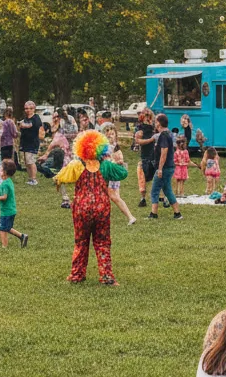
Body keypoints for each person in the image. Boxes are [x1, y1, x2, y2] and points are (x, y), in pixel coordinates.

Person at [56, 131, 128, 284]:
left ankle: (77, 275)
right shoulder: (106, 165)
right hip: (102, 208)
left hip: (81, 208)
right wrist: (118, 162)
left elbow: (62, 176)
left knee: (81, 242)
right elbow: (122, 174)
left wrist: (58, 181)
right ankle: (107, 277)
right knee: (103, 242)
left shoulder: (77, 165)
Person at [0, 158, 29, 248]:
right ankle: (22, 236)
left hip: (7, 211)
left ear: (5, 172)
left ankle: (4, 247)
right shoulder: (8, 181)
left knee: (2, 229)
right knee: (7, 228)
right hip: (10, 210)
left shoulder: (5, 184)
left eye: (1, 168)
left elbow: (4, 197)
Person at [102, 124, 137, 225]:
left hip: (112, 176)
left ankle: (130, 217)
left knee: (114, 197)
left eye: (112, 134)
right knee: (108, 197)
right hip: (106, 175)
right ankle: (104, 218)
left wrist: (113, 161)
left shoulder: (115, 147)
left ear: (116, 135)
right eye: (108, 134)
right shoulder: (104, 147)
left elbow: (121, 160)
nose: (110, 136)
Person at [149, 113, 182, 220]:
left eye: (155, 121)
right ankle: (177, 213)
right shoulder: (169, 133)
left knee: (154, 190)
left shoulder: (163, 135)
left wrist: (159, 169)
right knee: (167, 190)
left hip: (165, 168)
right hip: (170, 166)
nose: (154, 123)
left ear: (159, 123)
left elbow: (164, 152)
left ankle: (153, 214)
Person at [132, 108, 156, 208]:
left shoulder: (154, 128)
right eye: (146, 117)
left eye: (149, 117)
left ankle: (162, 198)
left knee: (158, 177)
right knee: (142, 178)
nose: (148, 119)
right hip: (145, 157)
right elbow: (138, 141)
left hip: (154, 156)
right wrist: (151, 140)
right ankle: (143, 198)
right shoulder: (140, 129)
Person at [18, 101, 43, 185]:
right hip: (25, 142)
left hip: (32, 143)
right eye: (26, 108)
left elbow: (30, 125)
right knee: (26, 162)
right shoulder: (25, 118)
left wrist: (23, 124)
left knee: (30, 161)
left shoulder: (36, 117)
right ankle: (30, 178)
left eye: (30, 108)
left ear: (34, 109)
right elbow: (21, 127)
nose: (28, 110)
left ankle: (34, 179)